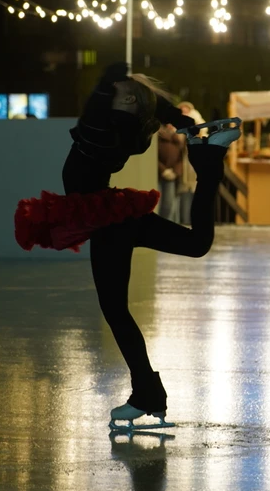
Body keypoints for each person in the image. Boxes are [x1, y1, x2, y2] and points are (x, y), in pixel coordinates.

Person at [13, 63, 240, 429]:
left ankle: (146, 394)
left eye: (114, 94)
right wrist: (174, 116)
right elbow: (144, 104)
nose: (106, 97)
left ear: (126, 100)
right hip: (115, 216)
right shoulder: (120, 126)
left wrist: (111, 82)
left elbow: (103, 102)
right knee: (195, 244)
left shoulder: (103, 126)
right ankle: (209, 158)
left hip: (108, 222)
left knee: (116, 310)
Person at [176, 102, 206, 225]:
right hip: (181, 167)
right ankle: (184, 220)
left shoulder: (199, 126)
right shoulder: (177, 127)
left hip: (194, 168)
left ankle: (194, 221)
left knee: (195, 194)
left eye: (186, 111)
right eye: (182, 111)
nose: (184, 113)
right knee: (183, 195)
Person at [157, 124, 185, 222]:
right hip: (159, 175)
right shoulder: (158, 136)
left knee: (168, 205)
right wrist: (163, 170)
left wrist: (175, 172)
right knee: (157, 204)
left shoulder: (177, 139)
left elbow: (181, 159)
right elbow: (153, 157)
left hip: (171, 176)